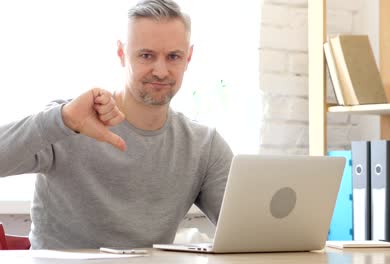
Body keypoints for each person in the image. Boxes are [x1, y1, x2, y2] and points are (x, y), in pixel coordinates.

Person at [0, 0, 233, 249]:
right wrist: (63, 120)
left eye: (173, 56)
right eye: (146, 55)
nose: (161, 71)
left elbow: (250, 227)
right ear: (122, 54)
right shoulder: (72, 120)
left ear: (188, 58)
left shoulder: (203, 146)